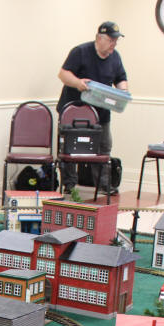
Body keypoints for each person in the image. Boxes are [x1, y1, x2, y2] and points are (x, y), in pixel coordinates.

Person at [57, 21, 129, 196]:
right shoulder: (80, 52)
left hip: (101, 112)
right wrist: (78, 83)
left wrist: (123, 92)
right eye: (111, 40)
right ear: (99, 38)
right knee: (70, 148)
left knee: (104, 146)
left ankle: (103, 184)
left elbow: (121, 78)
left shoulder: (115, 57)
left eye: (116, 41)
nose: (113, 44)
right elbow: (63, 74)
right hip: (75, 111)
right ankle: (70, 184)